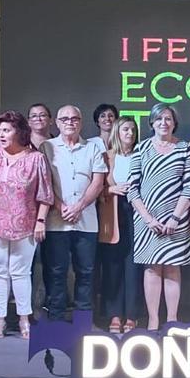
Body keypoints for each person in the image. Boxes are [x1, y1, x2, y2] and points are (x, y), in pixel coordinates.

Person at [0, 110, 53, 339]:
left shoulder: (35, 159)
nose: (2, 134)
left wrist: (40, 221)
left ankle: (24, 319)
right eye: (0, 130)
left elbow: (45, 194)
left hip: (25, 224)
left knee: (21, 273)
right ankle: (0, 321)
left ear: (19, 131)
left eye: (7, 130)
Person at [129, 103, 190, 330]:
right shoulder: (141, 148)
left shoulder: (185, 148)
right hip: (147, 221)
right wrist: (148, 219)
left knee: (172, 267)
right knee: (151, 269)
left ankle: (171, 320)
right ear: (152, 123)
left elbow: (189, 188)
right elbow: (133, 189)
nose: (164, 123)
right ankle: (153, 320)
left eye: (168, 119)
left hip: (175, 220)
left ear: (174, 123)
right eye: (159, 119)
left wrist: (175, 218)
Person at [41, 105, 107, 322]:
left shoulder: (92, 148)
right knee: (57, 273)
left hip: (86, 222)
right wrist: (61, 207)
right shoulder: (46, 147)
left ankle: (82, 319)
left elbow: (97, 183)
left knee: (86, 273)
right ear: (57, 123)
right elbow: (44, 183)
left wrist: (79, 206)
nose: (70, 122)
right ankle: (57, 318)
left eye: (75, 118)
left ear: (81, 122)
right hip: (55, 223)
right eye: (65, 119)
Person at [99, 117, 143, 333]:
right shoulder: (106, 157)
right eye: (126, 129)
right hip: (114, 213)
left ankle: (132, 316)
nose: (130, 134)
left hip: (138, 212)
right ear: (117, 131)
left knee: (134, 267)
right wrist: (110, 190)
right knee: (113, 266)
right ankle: (114, 315)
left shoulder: (142, 155)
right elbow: (96, 187)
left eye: (133, 130)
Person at [26, 102, 54, 313]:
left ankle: (48, 305)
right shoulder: (22, 146)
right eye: (34, 116)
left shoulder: (59, 144)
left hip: (54, 213)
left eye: (43, 115)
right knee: (26, 265)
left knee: (51, 264)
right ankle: (26, 310)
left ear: (50, 120)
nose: (38, 119)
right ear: (28, 121)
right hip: (27, 213)